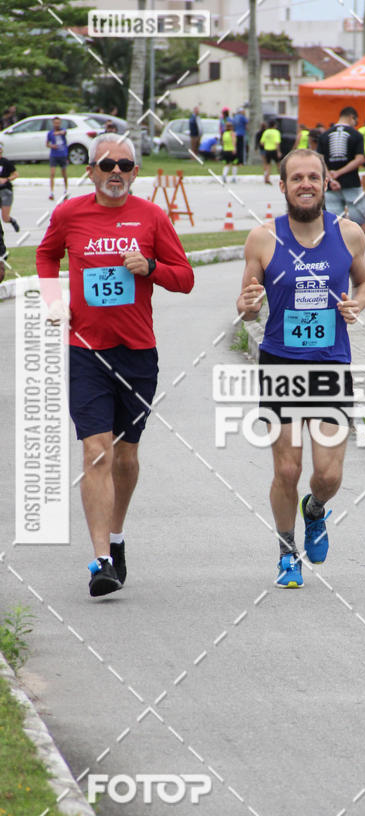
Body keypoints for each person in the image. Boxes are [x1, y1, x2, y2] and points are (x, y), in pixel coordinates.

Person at [36, 133, 194, 597]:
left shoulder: (152, 217)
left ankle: (117, 536)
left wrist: (150, 267)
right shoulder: (70, 214)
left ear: (136, 173)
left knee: (125, 455)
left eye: (126, 165)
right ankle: (101, 560)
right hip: (86, 351)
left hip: (138, 353)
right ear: (92, 171)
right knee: (96, 452)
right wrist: (52, 301)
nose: (116, 172)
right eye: (108, 164)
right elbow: (46, 255)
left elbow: (184, 278)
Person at [236, 148, 365, 588]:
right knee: (287, 471)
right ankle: (286, 552)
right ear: (283, 187)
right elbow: (248, 308)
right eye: (296, 178)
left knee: (328, 475)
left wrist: (358, 304)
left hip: (331, 364)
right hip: (280, 363)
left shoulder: (349, 234)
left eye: (313, 177)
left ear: (326, 182)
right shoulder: (262, 239)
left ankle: (314, 510)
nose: (306, 184)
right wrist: (247, 306)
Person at [317, 106, 365, 236]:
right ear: (352, 117)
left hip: (330, 185)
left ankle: (337, 254)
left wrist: (332, 178)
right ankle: (361, 254)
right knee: (359, 222)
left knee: (334, 223)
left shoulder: (324, 136)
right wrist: (340, 173)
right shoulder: (356, 135)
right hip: (352, 183)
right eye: (355, 121)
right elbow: (360, 159)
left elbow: (319, 160)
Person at [46, 116, 69, 201]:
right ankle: (51, 192)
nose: (57, 124)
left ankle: (65, 191)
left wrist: (58, 133)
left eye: (58, 123)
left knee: (64, 174)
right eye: (55, 123)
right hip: (54, 155)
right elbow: (47, 144)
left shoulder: (63, 130)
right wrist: (52, 146)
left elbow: (64, 132)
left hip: (62, 154)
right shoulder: (50, 133)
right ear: (53, 123)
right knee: (52, 173)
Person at [0, 143, 19, 232]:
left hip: (5, 190)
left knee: (5, 218)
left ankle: (12, 221)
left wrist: (6, 179)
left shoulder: (5, 162)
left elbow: (16, 174)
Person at [260, 119, 281, 185]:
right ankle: (283, 178)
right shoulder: (276, 132)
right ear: (274, 125)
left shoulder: (266, 132)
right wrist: (278, 152)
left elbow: (262, 143)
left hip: (267, 150)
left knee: (268, 165)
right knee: (278, 165)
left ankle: (267, 178)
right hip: (274, 150)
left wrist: (267, 144)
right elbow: (277, 142)